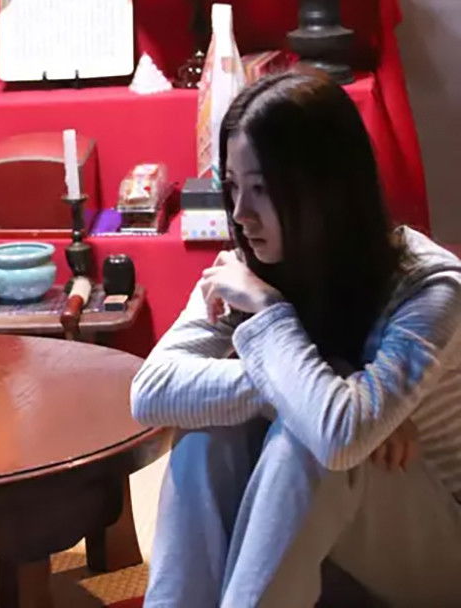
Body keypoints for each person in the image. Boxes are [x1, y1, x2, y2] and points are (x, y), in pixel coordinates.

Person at [131, 70, 461, 607]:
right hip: (319, 549)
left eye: (261, 189)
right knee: (211, 429)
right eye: (232, 187)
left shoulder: (431, 288)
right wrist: (323, 384)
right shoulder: (247, 267)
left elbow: (339, 436)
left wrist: (270, 313)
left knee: (309, 440)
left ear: (327, 189)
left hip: (437, 554)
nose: (241, 214)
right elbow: (151, 391)